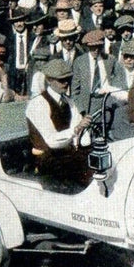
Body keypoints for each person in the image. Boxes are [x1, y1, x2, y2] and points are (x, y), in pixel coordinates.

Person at [25, 59, 94, 193]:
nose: (66, 83)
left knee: (97, 160)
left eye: (68, 79)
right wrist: (76, 129)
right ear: (49, 80)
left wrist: (85, 139)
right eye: (61, 80)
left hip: (67, 155)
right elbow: (51, 140)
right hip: (46, 159)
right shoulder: (38, 104)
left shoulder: (69, 102)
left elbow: (79, 132)